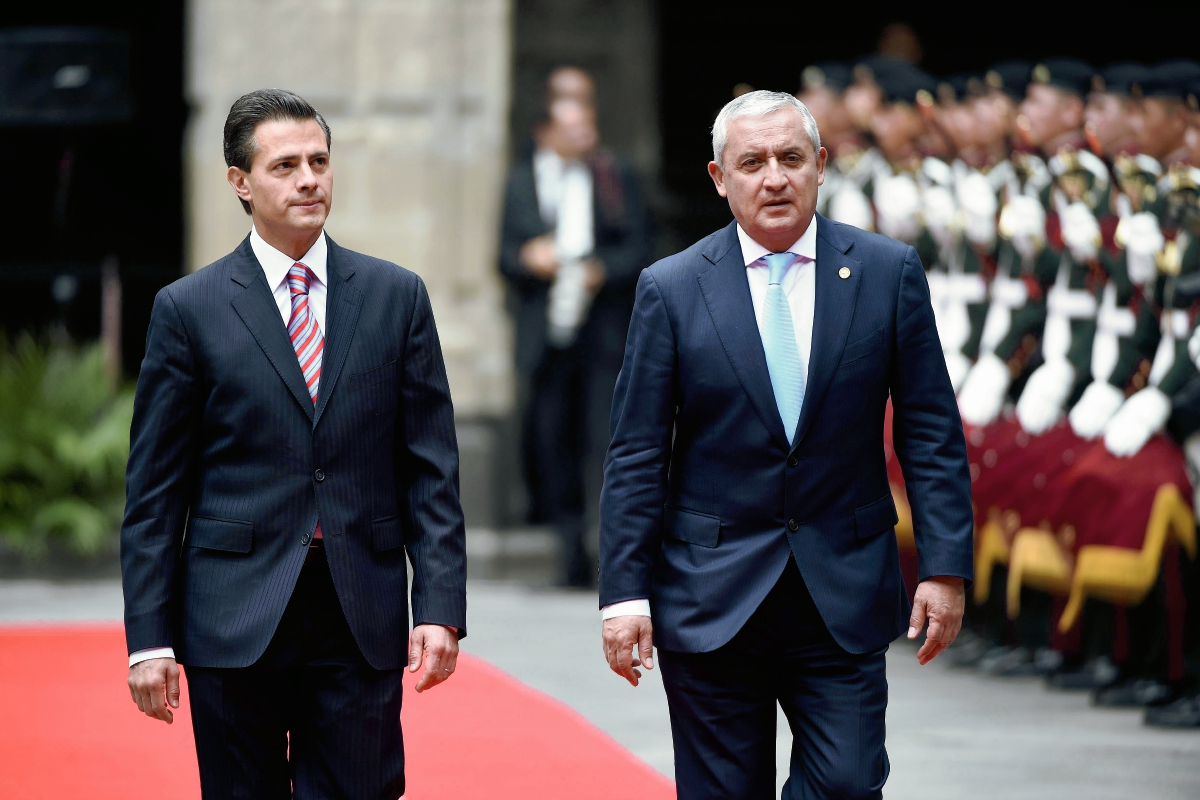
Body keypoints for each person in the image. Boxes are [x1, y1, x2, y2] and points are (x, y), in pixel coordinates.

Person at [599, 90, 973, 799]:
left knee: (848, 784)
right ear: (719, 177)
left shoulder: (885, 272)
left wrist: (945, 567)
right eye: (753, 162)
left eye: (791, 158)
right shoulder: (672, 288)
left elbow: (930, 429)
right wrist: (623, 595)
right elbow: (637, 453)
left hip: (843, 592)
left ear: (822, 166)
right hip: (710, 596)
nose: (774, 177)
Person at [121, 89, 466, 799]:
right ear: (240, 182)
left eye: (318, 161)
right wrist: (148, 639)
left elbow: (432, 469)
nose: (308, 178)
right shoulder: (189, 309)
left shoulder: (396, 296)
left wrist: (439, 607)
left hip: (358, 607)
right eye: (284, 166)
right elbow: (155, 492)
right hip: (231, 612)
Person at [499, 79, 652, 586]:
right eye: (569, 127)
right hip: (547, 333)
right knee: (551, 440)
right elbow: (503, 255)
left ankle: (607, 549)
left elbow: (639, 246)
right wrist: (528, 258)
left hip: (601, 331)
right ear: (546, 132)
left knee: (602, 440)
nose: (581, 135)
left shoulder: (612, 175)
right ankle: (568, 552)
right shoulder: (523, 179)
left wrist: (600, 270)